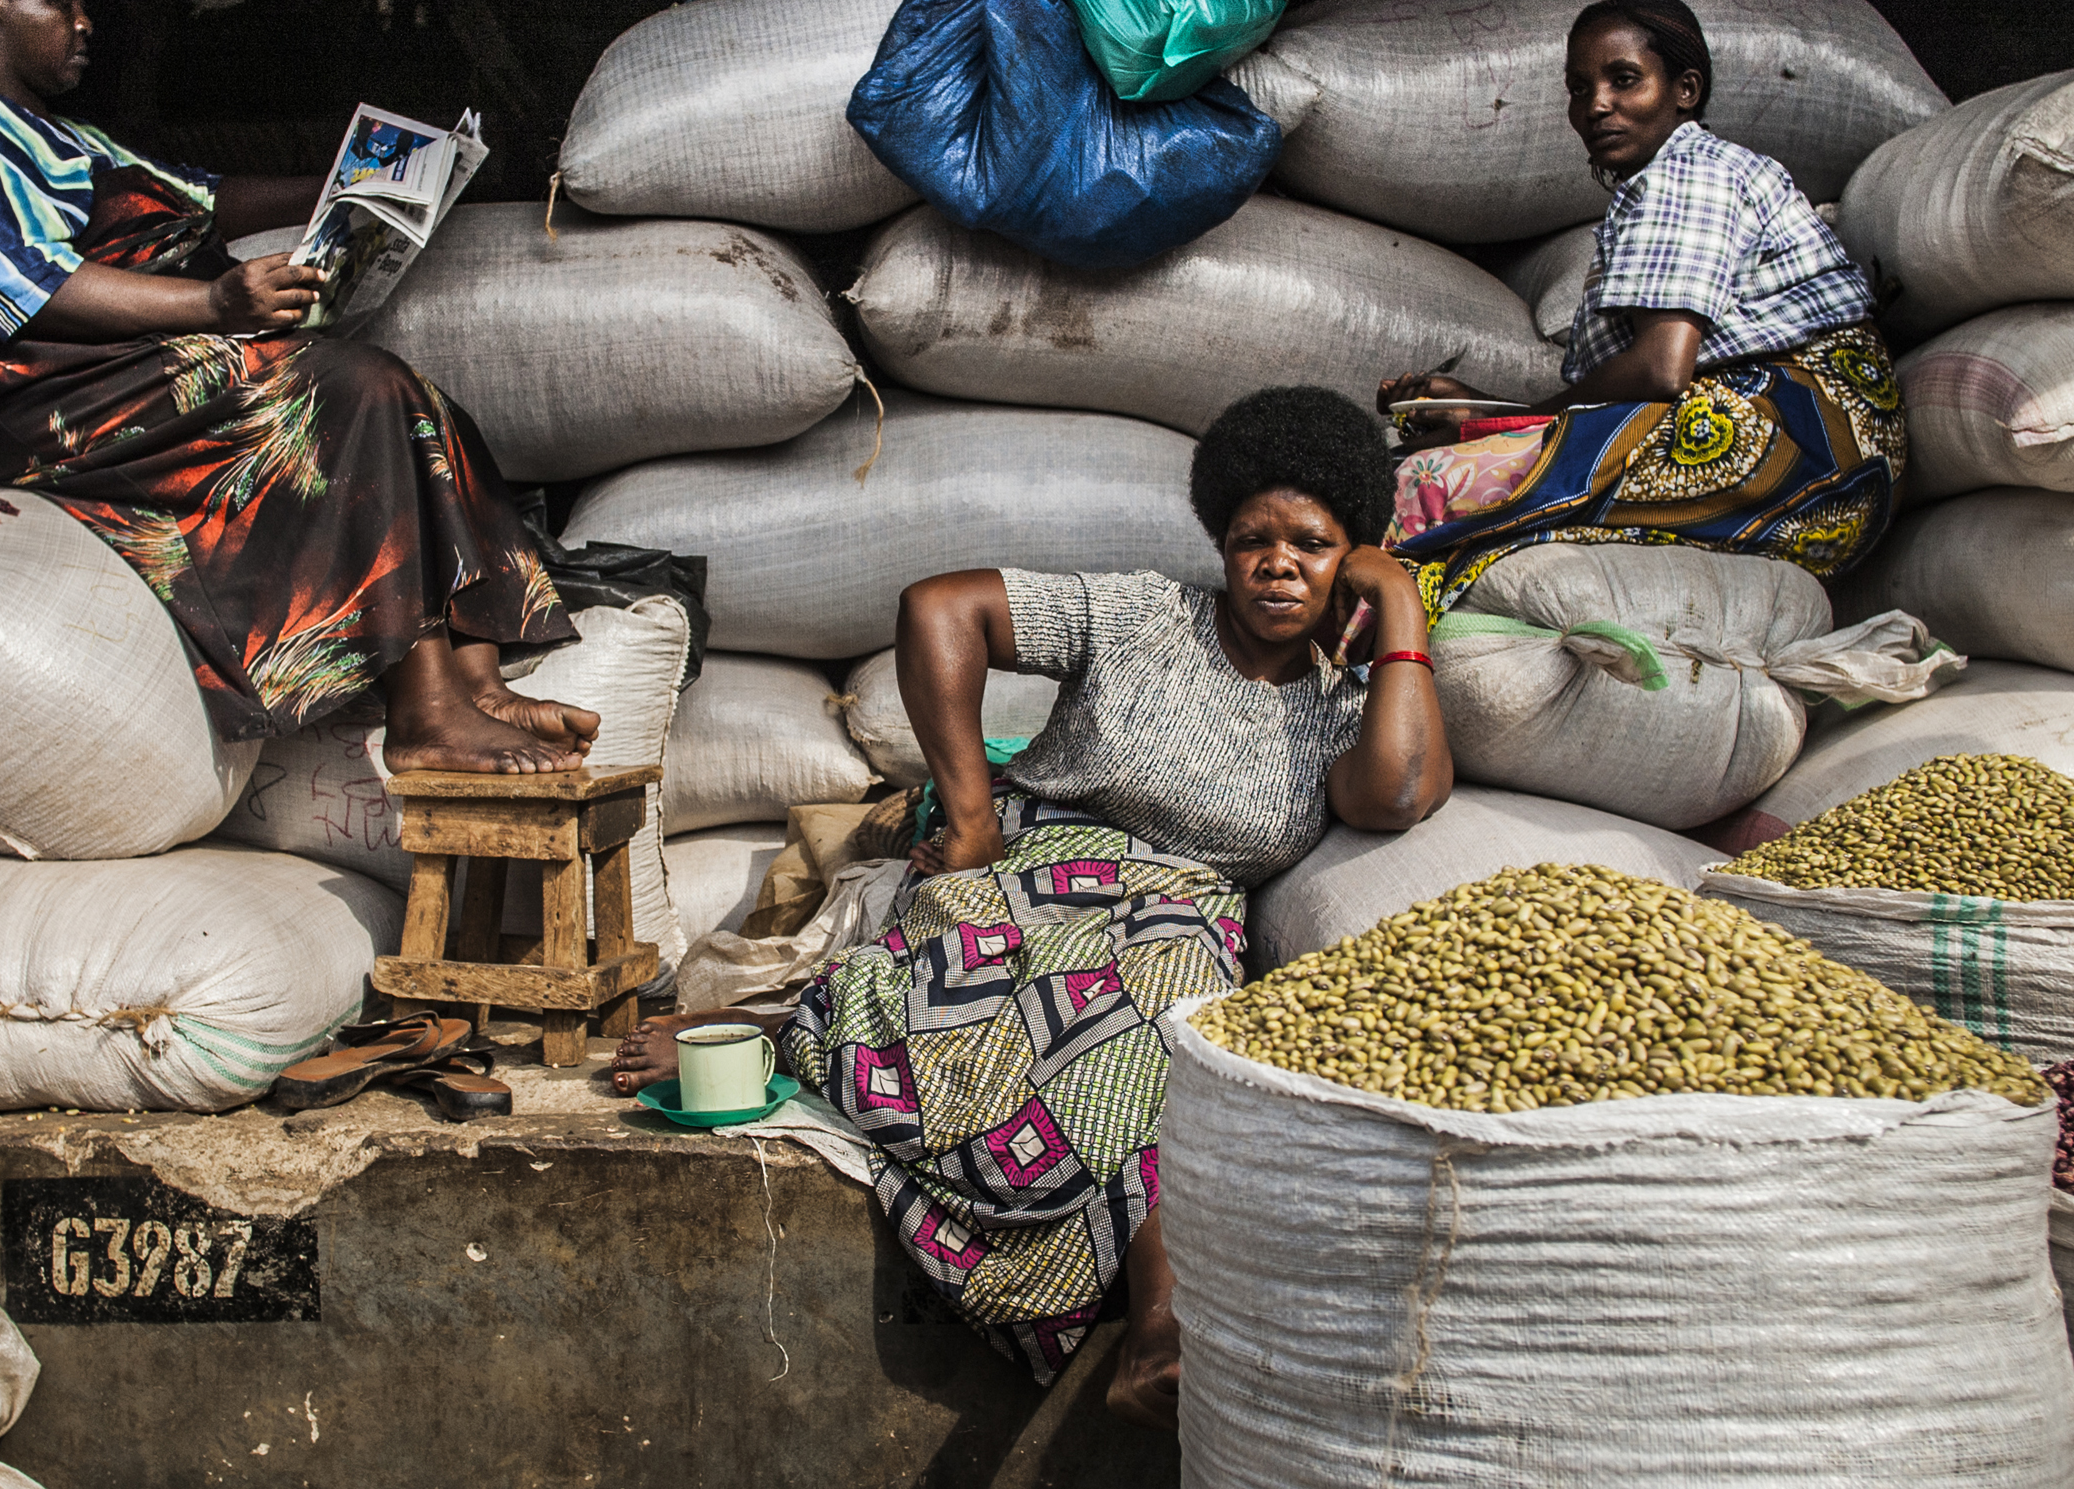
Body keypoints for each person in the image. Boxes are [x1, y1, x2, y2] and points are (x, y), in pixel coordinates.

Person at [610, 387, 1455, 1429]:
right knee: (923, 995)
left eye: (1312, 544)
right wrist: (968, 819)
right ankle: (793, 1030)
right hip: (1040, 861)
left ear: (1350, 557)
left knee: (1161, 1024)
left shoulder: (1341, 701)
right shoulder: (1145, 614)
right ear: (1220, 545)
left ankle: (1159, 1330)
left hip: (1181, 906)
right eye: (1251, 540)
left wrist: (1402, 608)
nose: (1277, 563)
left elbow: (1396, 796)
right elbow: (939, 607)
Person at [0, 0, 597, 771]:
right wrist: (214, 307)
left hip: (136, 371)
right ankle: (423, 717)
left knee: (414, 397)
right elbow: (14, 290)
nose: (83, 24)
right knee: (349, 390)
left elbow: (207, 196)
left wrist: (367, 173)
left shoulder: (76, 140)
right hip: (50, 402)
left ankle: (474, 682)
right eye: (60, 3)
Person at [1377, 0, 1901, 618]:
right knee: (1449, 466)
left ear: (1684, 89)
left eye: (1625, 80)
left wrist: (1505, 426)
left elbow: (1659, 370)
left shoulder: (1687, 173)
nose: (1597, 105)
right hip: (1834, 475)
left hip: (1788, 446)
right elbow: (1645, 391)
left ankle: (1337, 688)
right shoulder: (1685, 177)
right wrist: (1483, 408)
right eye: (1579, 88)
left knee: (1419, 488)